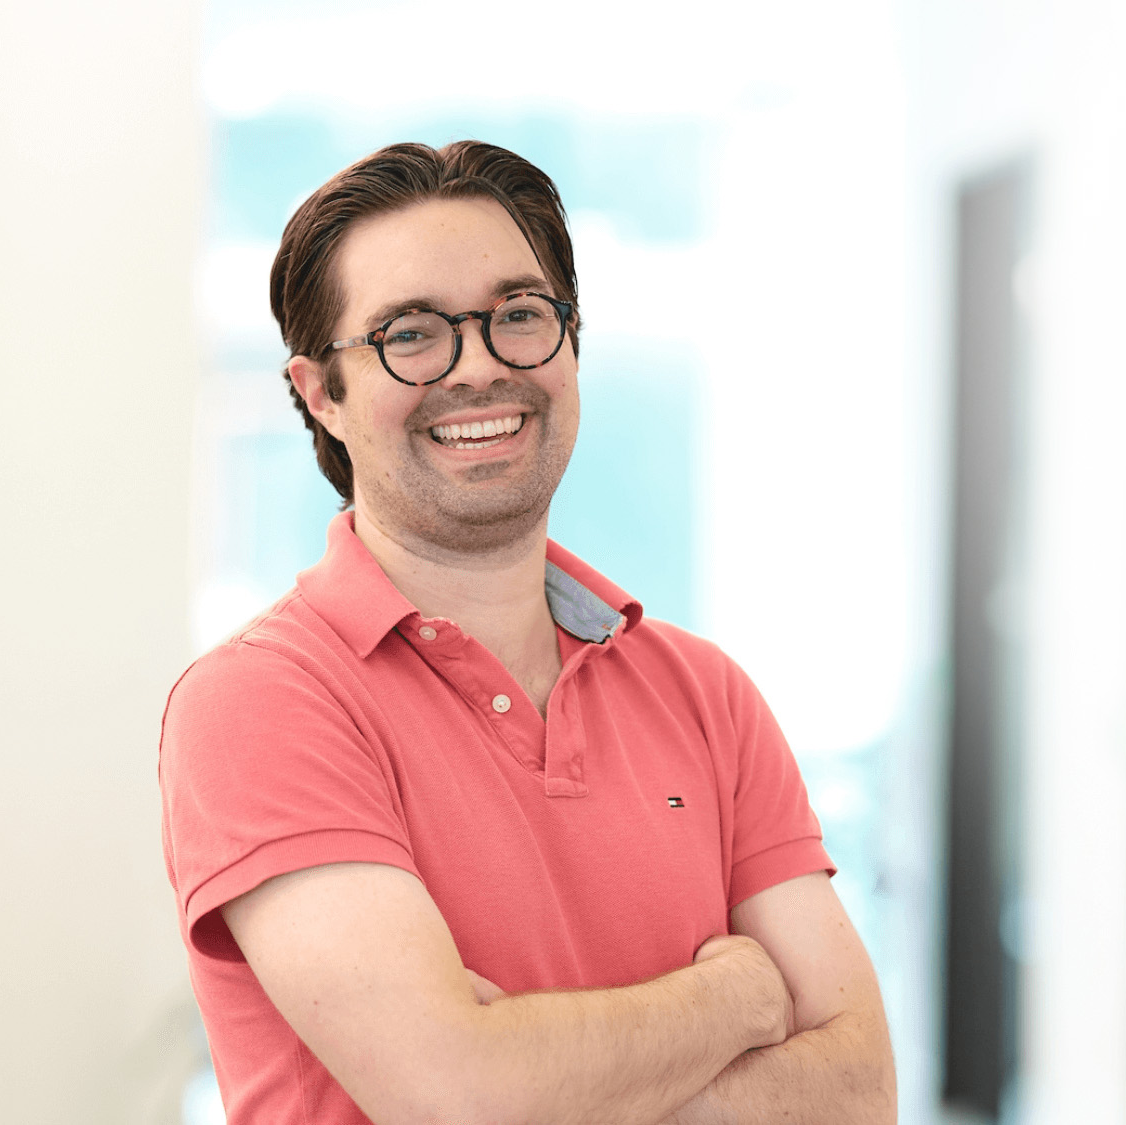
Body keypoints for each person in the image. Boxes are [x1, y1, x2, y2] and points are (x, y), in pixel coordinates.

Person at [159, 140, 895, 1125]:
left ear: (569, 344)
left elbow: (857, 1093)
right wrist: (734, 1000)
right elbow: (462, 1098)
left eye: (517, 316)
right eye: (411, 335)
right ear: (320, 393)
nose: (479, 367)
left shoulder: (705, 693)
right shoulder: (261, 703)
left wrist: (554, 1074)